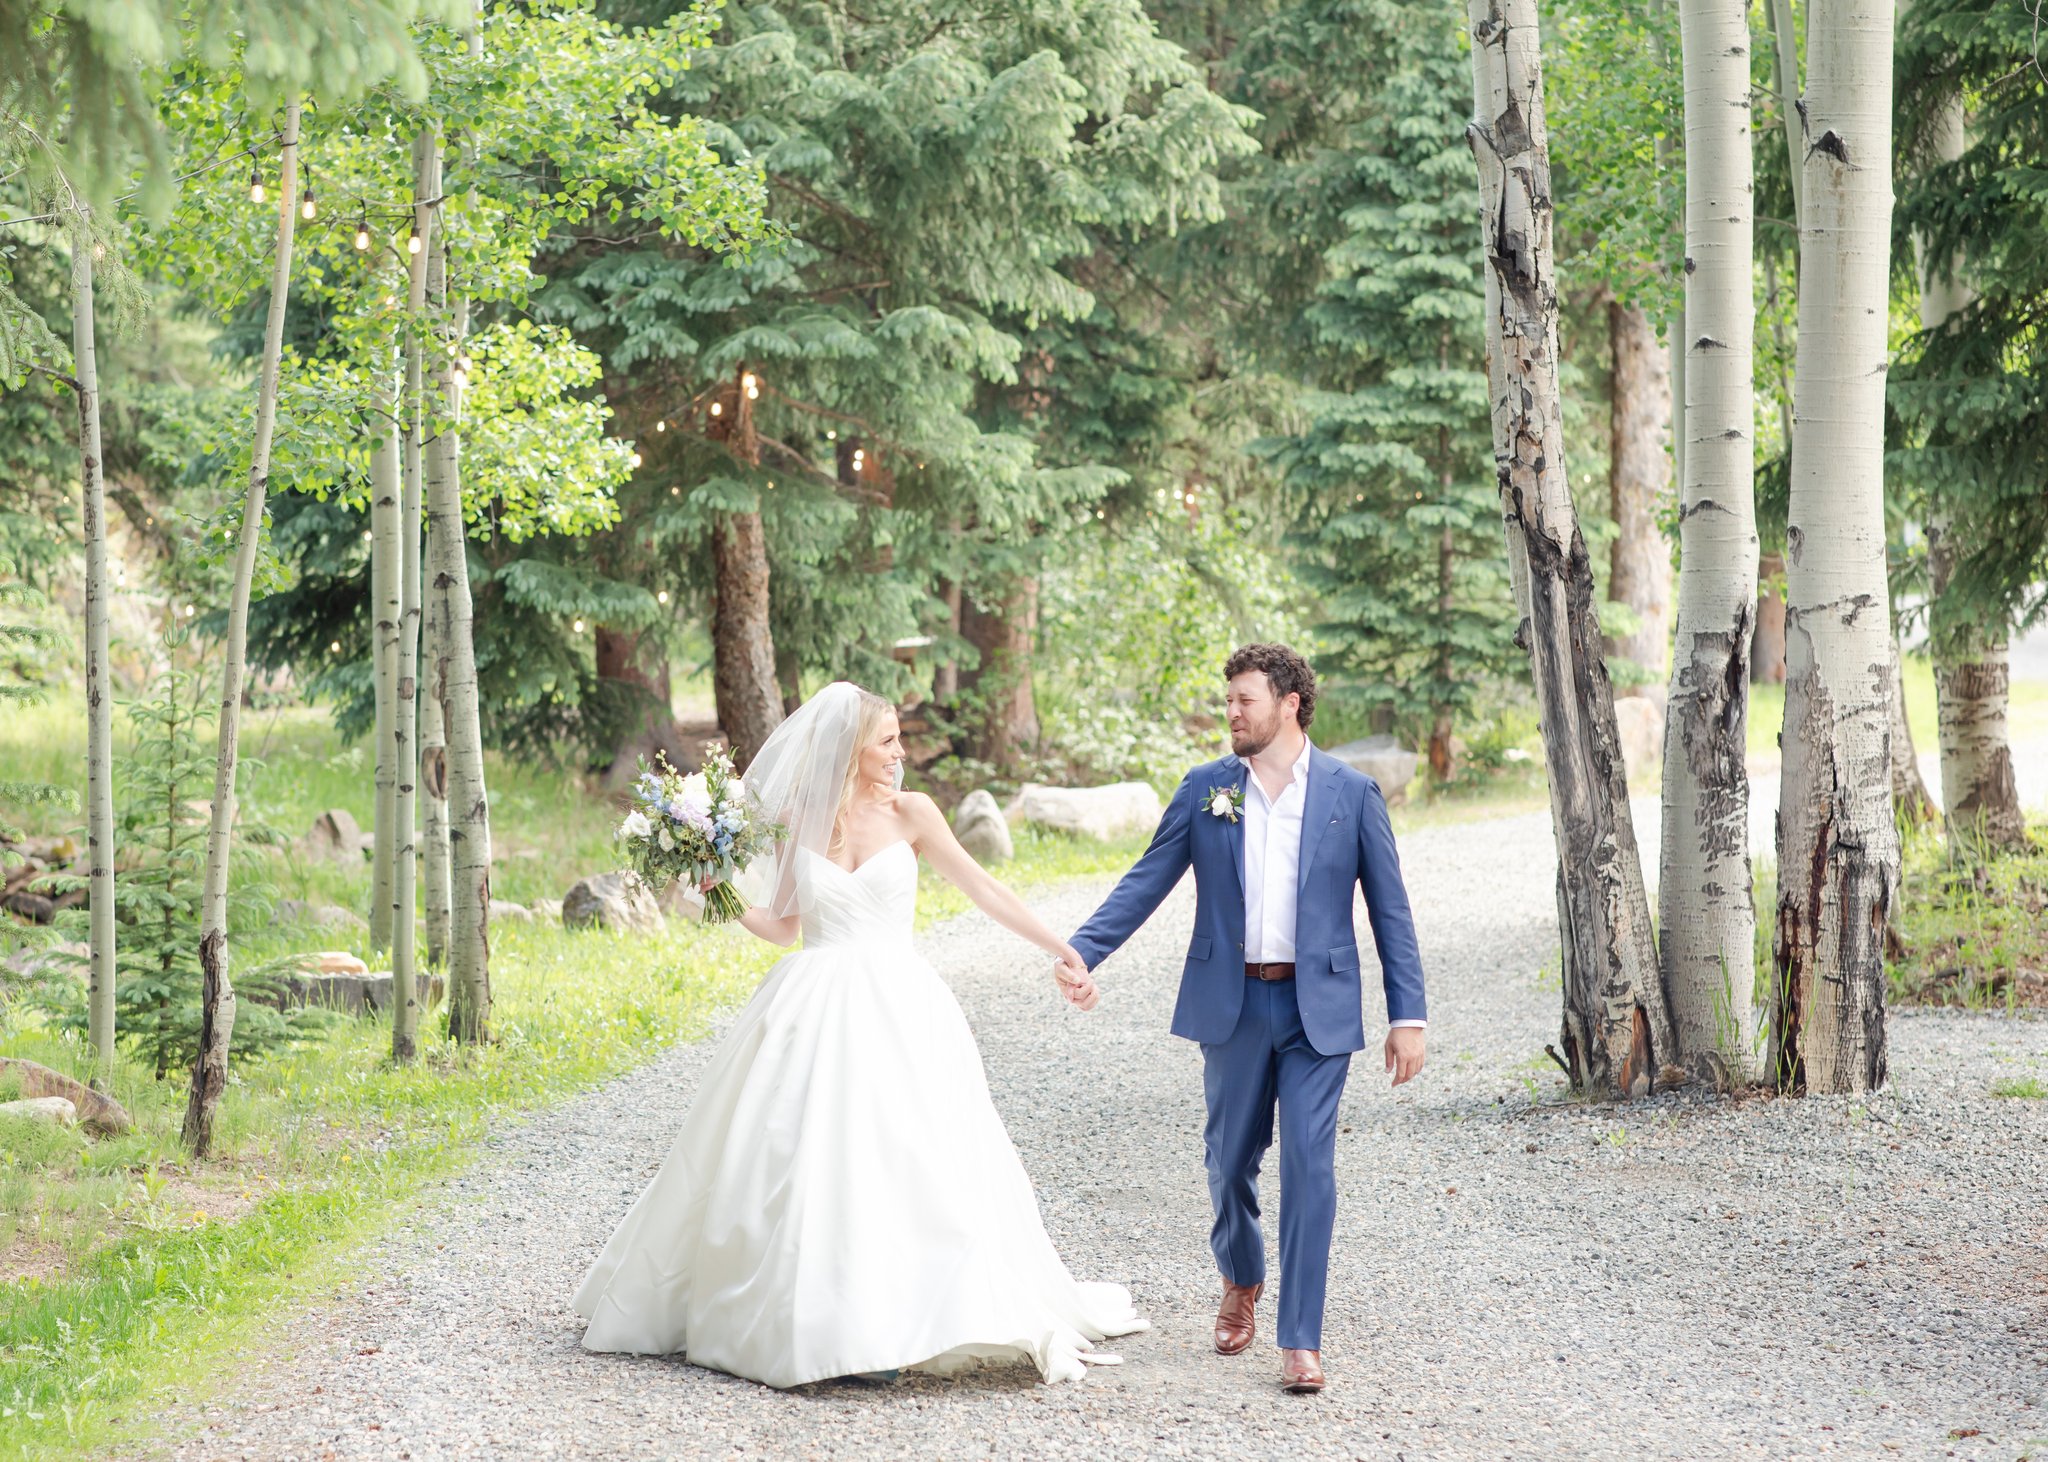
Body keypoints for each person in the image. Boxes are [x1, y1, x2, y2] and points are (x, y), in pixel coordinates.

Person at [574, 681, 1145, 1388]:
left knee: (903, 1157)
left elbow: (984, 890)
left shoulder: (914, 814)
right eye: (888, 741)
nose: (900, 752)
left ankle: (902, 1318)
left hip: (897, 1002)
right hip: (810, 999)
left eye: (899, 739)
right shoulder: (801, 819)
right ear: (850, 749)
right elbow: (783, 926)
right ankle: (819, 1319)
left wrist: (1063, 948)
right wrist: (713, 887)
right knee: (799, 1155)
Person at [1057, 643, 1427, 1395]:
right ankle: (1242, 1274)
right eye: (1228, 700)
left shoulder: (1351, 794)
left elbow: (1391, 910)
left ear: (1290, 703)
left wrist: (1407, 1014)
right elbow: (1145, 880)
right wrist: (1082, 950)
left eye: (1245, 700)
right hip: (1232, 1003)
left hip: (1316, 1007)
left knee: (1308, 1163)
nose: (1231, 712)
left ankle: (1301, 1338)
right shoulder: (1206, 790)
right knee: (1228, 1161)